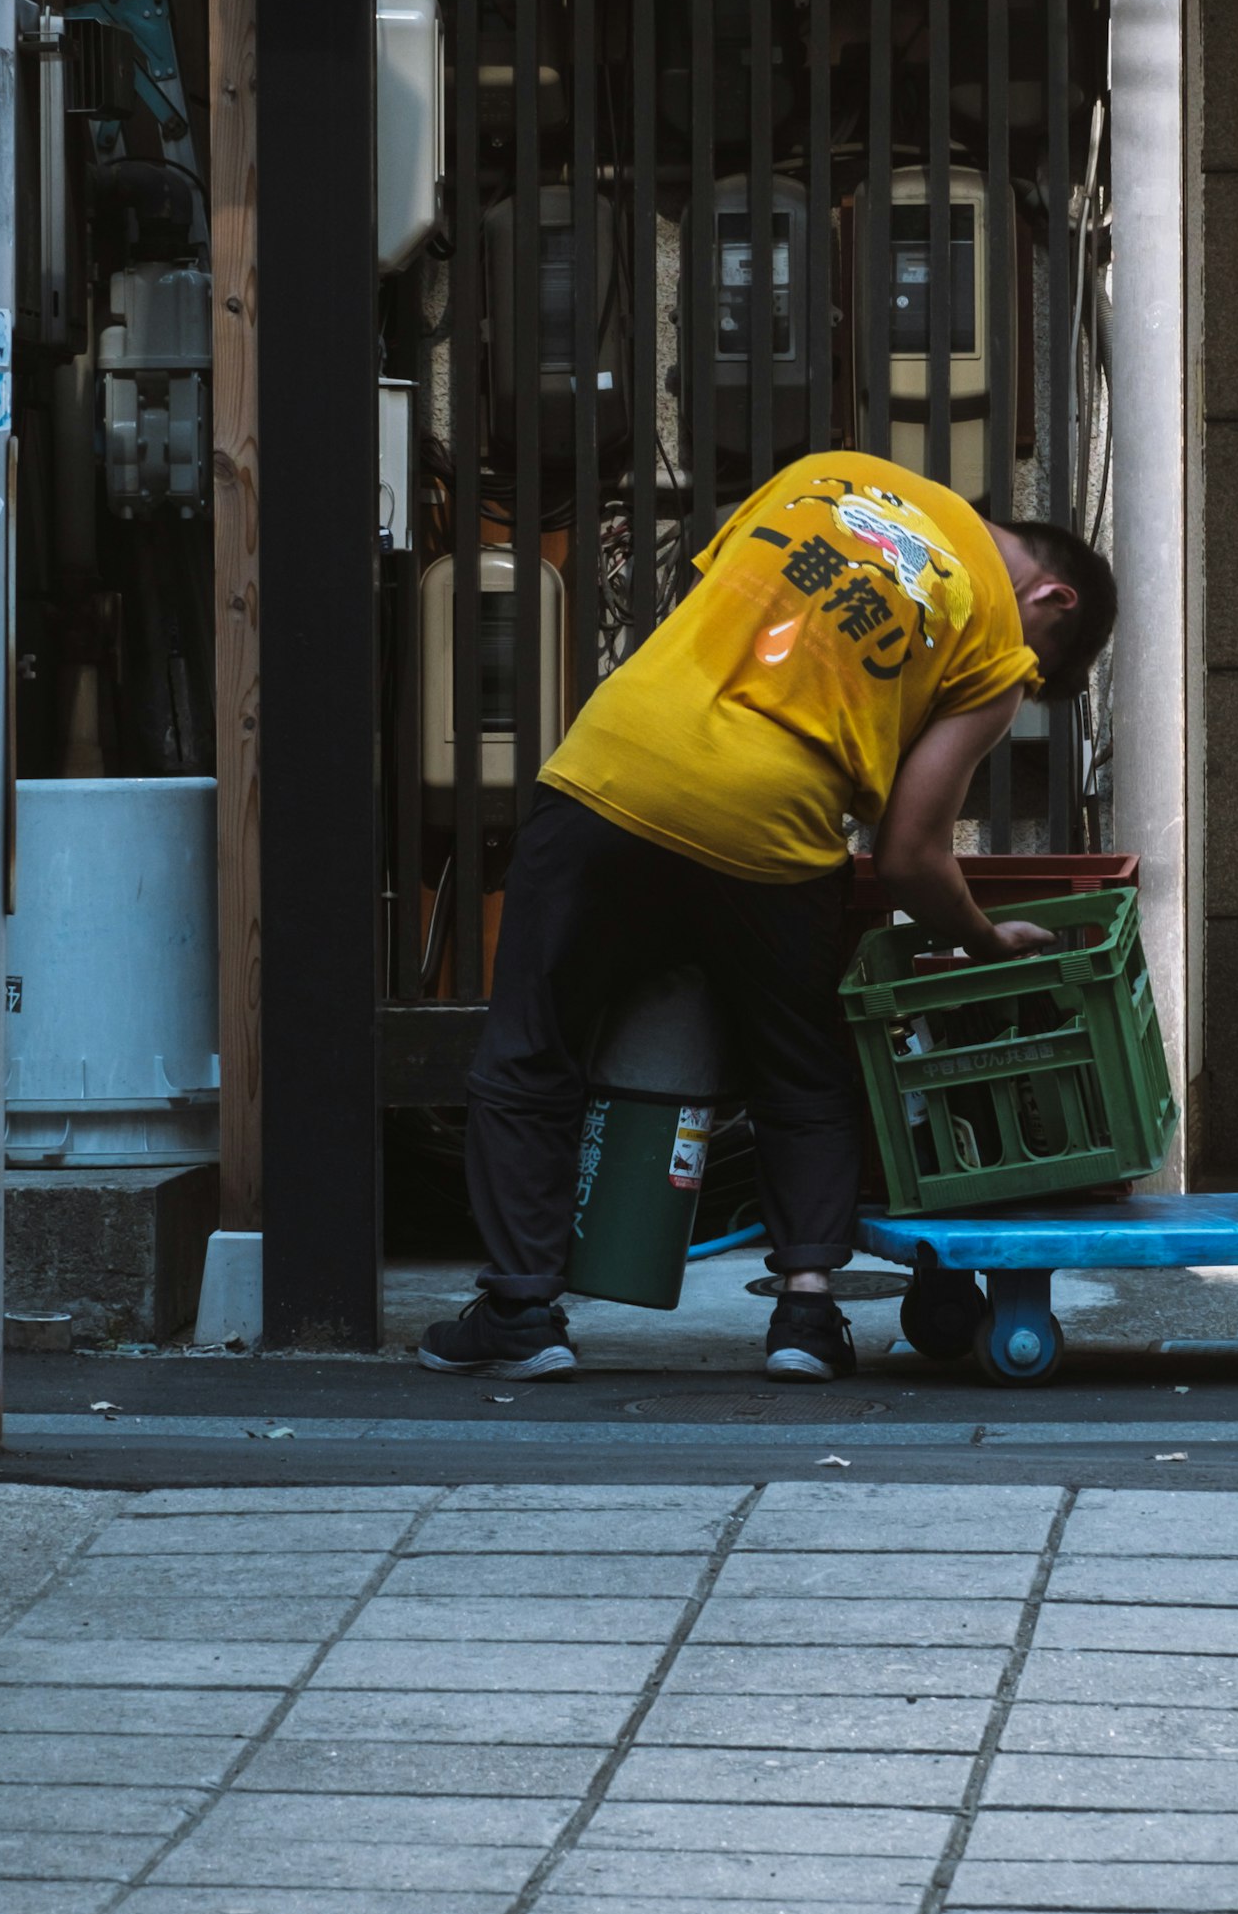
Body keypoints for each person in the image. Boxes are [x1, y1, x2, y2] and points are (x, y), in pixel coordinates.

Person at [424, 446, 1116, 1382]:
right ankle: (805, 1318)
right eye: (1042, 677)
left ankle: (519, 1311)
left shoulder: (827, 474)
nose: (1024, 686)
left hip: (613, 771)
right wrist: (984, 939)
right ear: (1053, 602)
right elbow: (911, 854)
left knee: (534, 1046)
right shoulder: (994, 633)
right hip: (771, 827)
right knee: (800, 1068)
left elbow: (726, 622)